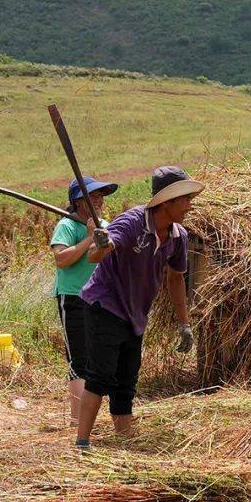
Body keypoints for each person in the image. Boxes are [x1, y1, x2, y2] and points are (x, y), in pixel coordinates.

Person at [74, 166, 203, 449]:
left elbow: (176, 279)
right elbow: (96, 255)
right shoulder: (132, 222)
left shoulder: (178, 236)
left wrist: (184, 323)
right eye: (184, 199)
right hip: (104, 304)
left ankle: (125, 441)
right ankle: (82, 442)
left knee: (127, 378)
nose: (189, 206)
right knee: (100, 375)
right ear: (166, 202)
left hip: (135, 313)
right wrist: (99, 241)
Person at [50, 175, 118, 427]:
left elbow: (101, 258)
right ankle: (77, 421)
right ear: (79, 202)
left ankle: (92, 417)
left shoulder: (105, 225)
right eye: (93, 196)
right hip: (73, 297)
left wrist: (102, 240)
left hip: (98, 298)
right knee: (78, 359)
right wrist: (89, 238)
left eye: (100, 195)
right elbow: (61, 259)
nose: (99, 200)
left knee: (97, 356)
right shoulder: (67, 226)